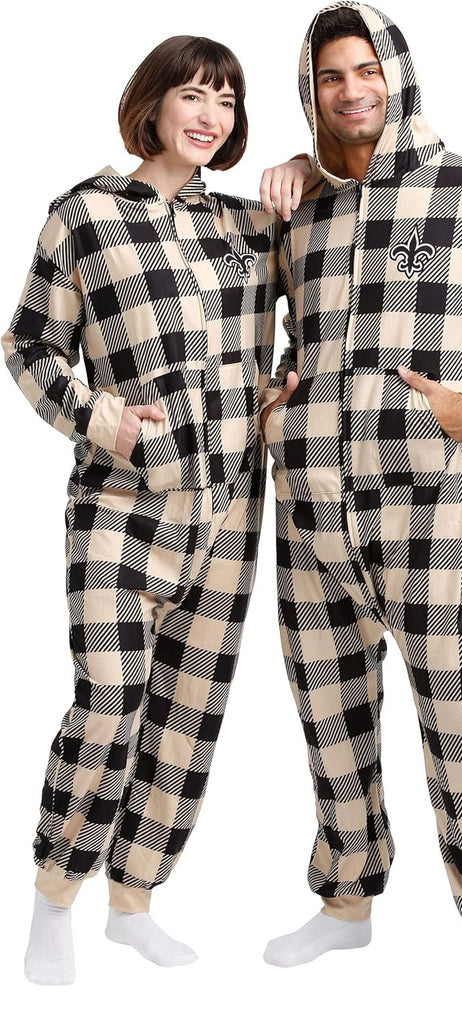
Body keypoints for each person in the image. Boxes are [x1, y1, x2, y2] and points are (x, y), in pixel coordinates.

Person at [259, 3, 462, 1021]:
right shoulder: (301, 215)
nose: (349, 89)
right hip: (312, 513)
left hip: (439, 516)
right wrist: (277, 407)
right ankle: (345, 901)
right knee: (330, 720)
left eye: (365, 69)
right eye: (329, 76)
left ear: (396, 75)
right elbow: (276, 338)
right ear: (311, 92)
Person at [2, 34, 311, 985]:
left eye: (226, 99)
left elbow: (333, 264)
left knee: (186, 715)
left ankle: (132, 901)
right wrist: (105, 423)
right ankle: (54, 895)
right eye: (193, 94)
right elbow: (28, 347)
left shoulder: (248, 226)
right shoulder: (85, 215)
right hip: (120, 507)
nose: (210, 115)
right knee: (110, 701)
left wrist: (304, 165)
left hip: (228, 510)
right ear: (153, 103)